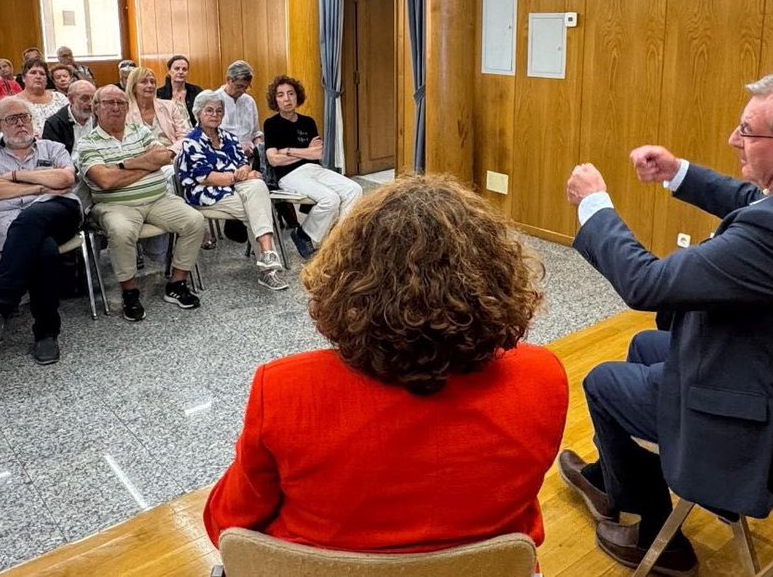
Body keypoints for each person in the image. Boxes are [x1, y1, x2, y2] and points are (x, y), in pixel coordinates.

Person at [555, 69, 773, 575]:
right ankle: (615, 479)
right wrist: (678, 173)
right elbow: (762, 204)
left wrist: (594, 206)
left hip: (771, 434)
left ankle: (653, 534)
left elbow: (648, 284)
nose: (732, 141)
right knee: (648, 348)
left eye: (747, 131)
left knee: (604, 381)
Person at [204, 174, 567, 552]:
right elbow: (521, 510)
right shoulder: (542, 377)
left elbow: (226, 526)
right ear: (497, 278)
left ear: (346, 282)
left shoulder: (284, 390)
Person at [0, 97, 81, 365]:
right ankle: (46, 334)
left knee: (32, 217)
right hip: (6, 223)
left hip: (58, 211)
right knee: (44, 249)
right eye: (11, 119)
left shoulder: (52, 148)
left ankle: (1, 307)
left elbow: (65, 179)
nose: (20, 123)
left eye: (24, 117)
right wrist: (40, 187)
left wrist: (14, 177)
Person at [76, 85, 203, 321]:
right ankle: (130, 292)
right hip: (115, 205)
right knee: (121, 231)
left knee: (195, 221)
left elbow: (164, 156)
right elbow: (104, 180)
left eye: (121, 103)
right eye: (109, 103)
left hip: (158, 199)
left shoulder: (139, 130)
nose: (116, 108)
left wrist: (123, 165)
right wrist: (146, 166)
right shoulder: (87, 144)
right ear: (96, 108)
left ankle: (177, 283)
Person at [178, 90, 287, 291]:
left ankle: (267, 259)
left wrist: (245, 170)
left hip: (235, 187)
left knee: (257, 187)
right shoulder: (191, 141)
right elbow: (205, 177)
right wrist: (240, 175)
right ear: (198, 114)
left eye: (219, 111)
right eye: (209, 110)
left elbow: (243, 163)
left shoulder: (228, 137)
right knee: (255, 209)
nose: (214, 114)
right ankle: (268, 268)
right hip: (204, 192)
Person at [263, 75, 361, 259]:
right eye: (281, 95)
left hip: (315, 170)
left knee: (355, 189)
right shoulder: (272, 124)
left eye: (290, 93)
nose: (286, 99)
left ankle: (340, 239)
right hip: (289, 176)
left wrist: (289, 151)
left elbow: (317, 154)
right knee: (330, 199)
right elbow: (274, 160)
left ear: (297, 96)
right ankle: (303, 234)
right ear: (275, 99)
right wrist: (304, 151)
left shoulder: (308, 122)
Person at [125, 66, 191, 153]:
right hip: (143, 157)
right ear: (133, 87)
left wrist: (171, 152)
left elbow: (184, 135)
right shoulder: (125, 112)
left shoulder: (170, 106)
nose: (150, 85)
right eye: (144, 82)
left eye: (152, 82)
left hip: (173, 154)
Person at [215, 60, 263, 156]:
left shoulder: (249, 101)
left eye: (246, 87)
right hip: (223, 156)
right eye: (239, 86)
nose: (242, 91)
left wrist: (259, 147)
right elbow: (209, 137)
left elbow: (255, 133)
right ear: (228, 80)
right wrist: (237, 147)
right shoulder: (214, 100)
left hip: (249, 156)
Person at [42, 80, 96, 156]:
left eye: (93, 98)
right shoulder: (54, 124)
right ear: (70, 99)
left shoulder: (100, 119)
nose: (91, 103)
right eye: (84, 98)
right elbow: (54, 158)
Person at [18, 59, 69, 137]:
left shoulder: (60, 98)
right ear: (23, 78)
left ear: (46, 80)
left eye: (42, 74)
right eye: (33, 73)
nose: (38, 76)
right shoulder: (14, 102)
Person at [156, 54, 202, 123]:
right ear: (169, 71)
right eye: (177, 69)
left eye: (184, 69)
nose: (181, 72)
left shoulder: (197, 91)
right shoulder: (159, 94)